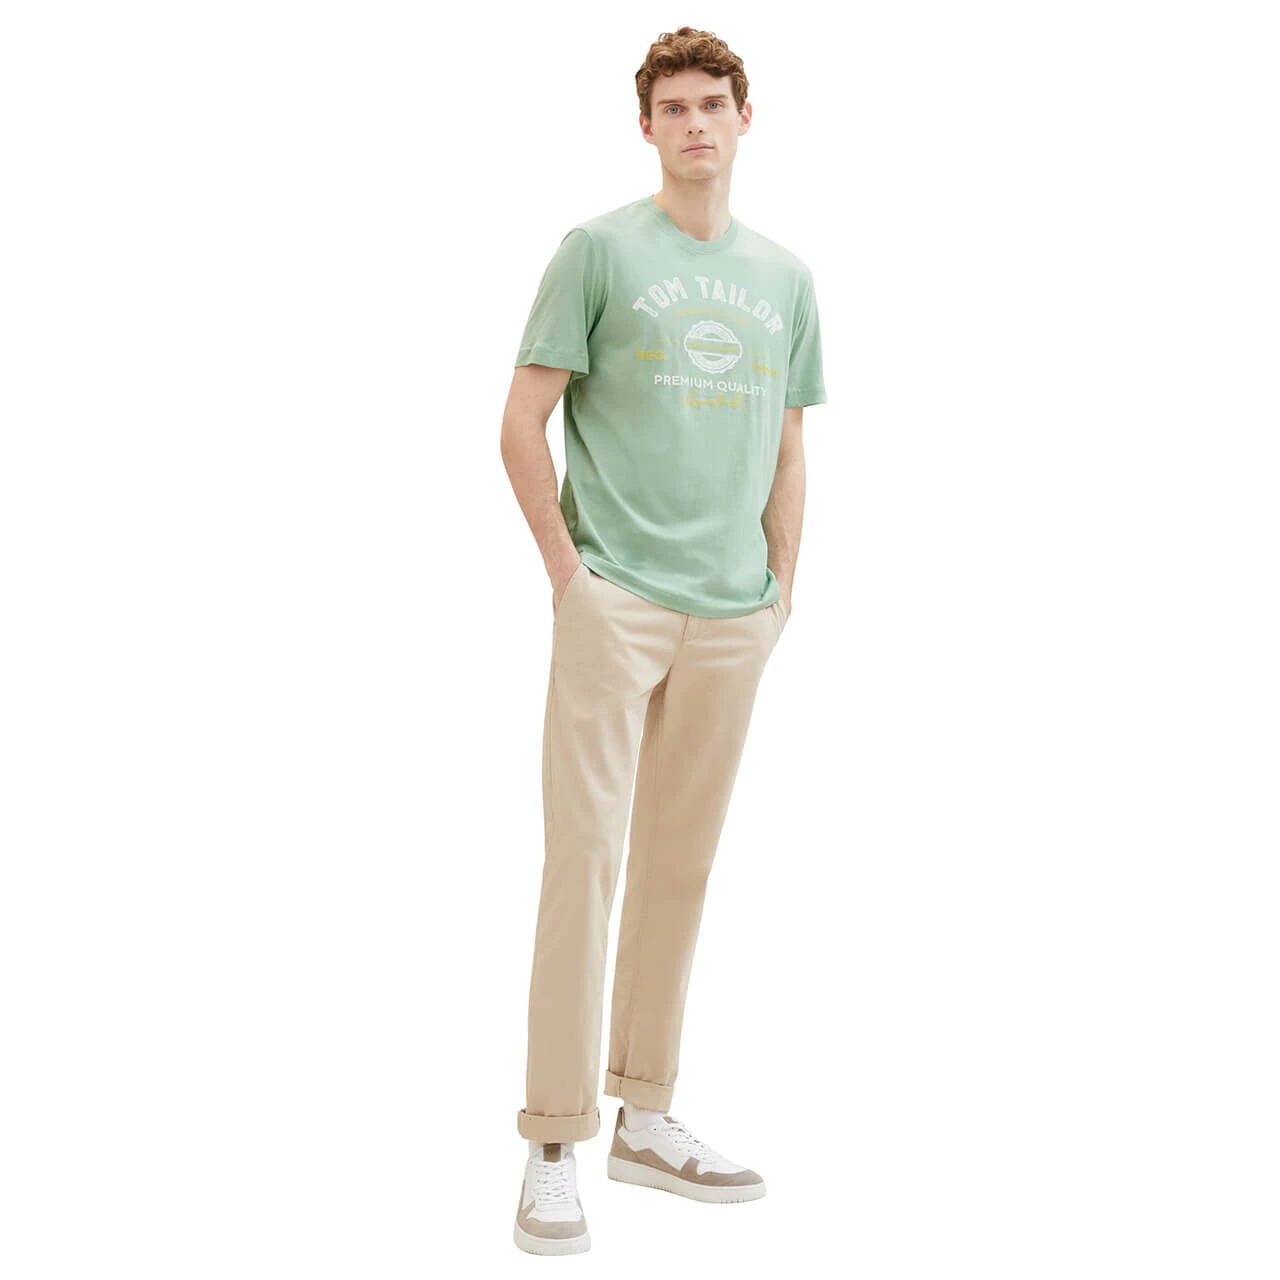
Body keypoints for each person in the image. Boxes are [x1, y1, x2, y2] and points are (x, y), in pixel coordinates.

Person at [500, 26, 826, 1255]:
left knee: (678, 866)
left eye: (712, 105)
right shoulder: (595, 251)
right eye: (674, 108)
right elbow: (520, 421)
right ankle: (552, 1139)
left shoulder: (784, 278)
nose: (695, 124)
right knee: (583, 861)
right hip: (615, 599)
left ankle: (645, 1115)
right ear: (645, 127)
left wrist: (779, 588)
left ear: (745, 119)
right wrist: (568, 576)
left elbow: (788, 443)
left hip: (732, 614)